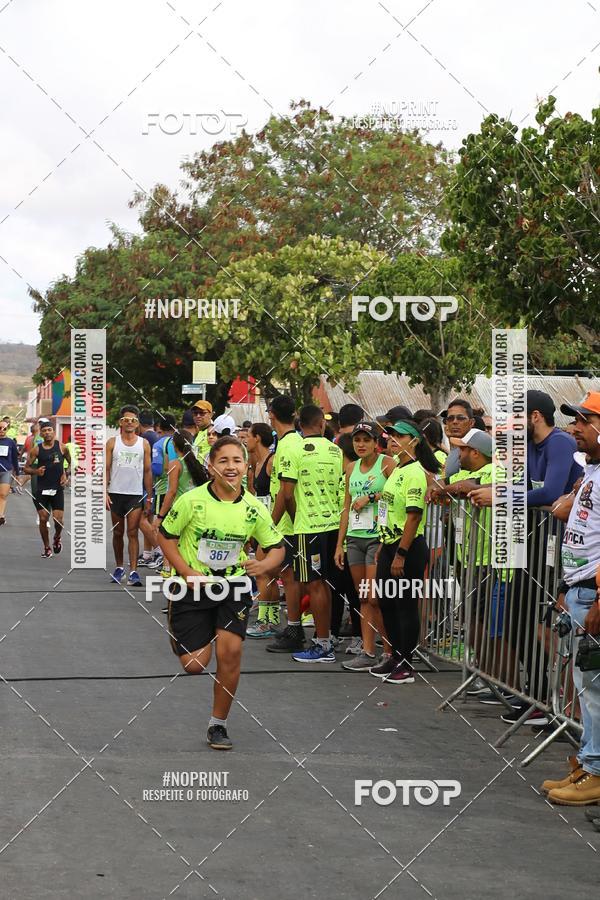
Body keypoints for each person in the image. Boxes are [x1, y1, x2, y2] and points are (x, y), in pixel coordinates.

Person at [158, 435, 284, 750]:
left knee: (231, 654)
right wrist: (186, 573)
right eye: (223, 461)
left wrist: (264, 564)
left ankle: (219, 724)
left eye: (237, 461)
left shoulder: (254, 509)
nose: (231, 467)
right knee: (195, 665)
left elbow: (278, 548)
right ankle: (197, 634)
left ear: (246, 466)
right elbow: (165, 537)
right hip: (193, 587)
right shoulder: (192, 501)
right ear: (212, 466)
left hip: (234, 587)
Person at [543, 391, 600, 805]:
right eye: (575, 420)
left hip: (595, 594)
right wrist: (566, 588)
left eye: (584, 420)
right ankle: (589, 761)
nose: (575, 428)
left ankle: (596, 772)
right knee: (586, 687)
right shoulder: (592, 472)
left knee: (594, 688)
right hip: (579, 589)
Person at [370, 420, 440, 683]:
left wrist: (400, 552)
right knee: (387, 604)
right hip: (389, 544)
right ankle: (396, 656)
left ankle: (407, 664)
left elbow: (413, 517)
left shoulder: (414, 472)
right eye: (391, 436)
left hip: (407, 548)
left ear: (414, 441)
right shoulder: (399, 468)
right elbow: (389, 510)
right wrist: (382, 546)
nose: (393, 440)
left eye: (400, 436)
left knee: (405, 606)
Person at [280, 404, 343, 663]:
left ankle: (323, 644)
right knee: (324, 584)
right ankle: (325, 638)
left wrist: (297, 519)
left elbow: (286, 494)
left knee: (314, 584)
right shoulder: (336, 450)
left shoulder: (294, 450)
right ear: (321, 424)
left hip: (309, 527)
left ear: (300, 425)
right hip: (334, 525)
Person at [335, 422, 396, 671]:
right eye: (357, 440)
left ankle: (390, 652)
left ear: (375, 443)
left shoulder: (387, 465)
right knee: (362, 598)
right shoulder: (351, 468)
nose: (360, 444)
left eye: (366, 440)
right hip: (355, 536)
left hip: (377, 537)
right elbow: (346, 507)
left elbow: (396, 495)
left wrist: (371, 497)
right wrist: (340, 543)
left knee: (375, 597)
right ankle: (368, 652)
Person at [264, 395, 306, 653]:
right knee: (285, 575)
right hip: (291, 522)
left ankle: (294, 628)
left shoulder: (289, 444)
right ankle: (292, 625)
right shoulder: (289, 441)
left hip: (289, 524)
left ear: (271, 414)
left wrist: (271, 526)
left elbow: (286, 492)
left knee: (289, 577)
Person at [105, 405, 153, 585]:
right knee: (118, 532)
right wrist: (105, 492)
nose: (130, 423)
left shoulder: (144, 444)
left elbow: (148, 472)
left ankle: (133, 572)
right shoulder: (112, 442)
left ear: (138, 423)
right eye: (126, 420)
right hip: (116, 493)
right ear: (121, 422)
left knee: (133, 532)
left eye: (133, 420)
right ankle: (119, 568)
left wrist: (149, 497)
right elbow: (107, 469)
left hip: (135, 494)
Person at [246, 423, 279, 637]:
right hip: (260, 525)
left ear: (257, 438)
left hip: (273, 527)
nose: (245, 440)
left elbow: (281, 494)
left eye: (248, 436)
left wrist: (273, 527)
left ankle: (268, 621)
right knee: (266, 574)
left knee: (264, 572)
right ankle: (269, 619)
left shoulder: (271, 461)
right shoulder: (256, 463)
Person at [23, 421, 71, 556]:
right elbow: (26, 468)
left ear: (53, 431)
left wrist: (65, 474)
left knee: (58, 520)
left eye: (49, 430)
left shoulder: (62, 447)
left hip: (57, 489)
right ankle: (46, 547)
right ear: (41, 433)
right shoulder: (36, 449)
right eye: (44, 431)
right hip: (42, 488)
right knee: (43, 518)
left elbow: (71, 462)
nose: (47, 433)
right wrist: (36, 472)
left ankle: (57, 537)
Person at [441, 399, 475, 479]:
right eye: (450, 418)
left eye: (461, 418)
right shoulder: (455, 449)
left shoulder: (478, 451)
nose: (454, 422)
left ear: (471, 422)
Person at [0, 419, 19, 526]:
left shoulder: (10, 442)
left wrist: (17, 473)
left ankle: (1, 515)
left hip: (6, 471)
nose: (2, 430)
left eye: (4, 428)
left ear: (7, 430)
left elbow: (14, 458)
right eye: (0, 428)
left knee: (3, 494)